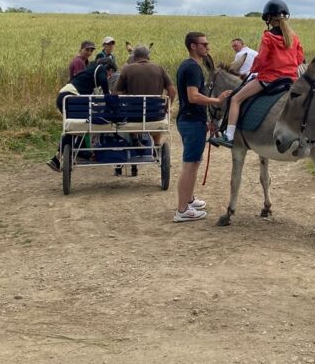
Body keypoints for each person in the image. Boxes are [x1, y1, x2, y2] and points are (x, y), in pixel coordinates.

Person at [209, 0, 304, 148]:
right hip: (291, 80)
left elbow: (262, 59)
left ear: (268, 19)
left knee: (235, 99)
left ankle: (229, 136)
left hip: (270, 79)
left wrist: (254, 69)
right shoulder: (294, 37)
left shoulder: (268, 36)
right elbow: (299, 59)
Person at [174, 32, 231, 222]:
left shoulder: (188, 65)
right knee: (190, 165)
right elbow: (193, 96)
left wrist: (205, 121)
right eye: (204, 44)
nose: (208, 47)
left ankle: (188, 199)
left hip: (191, 120)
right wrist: (217, 99)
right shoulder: (193, 68)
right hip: (191, 121)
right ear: (193, 46)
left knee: (194, 162)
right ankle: (182, 209)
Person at [114, 44, 177, 176]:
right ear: (148, 56)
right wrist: (167, 106)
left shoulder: (127, 69)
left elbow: (116, 94)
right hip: (155, 115)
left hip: (133, 116)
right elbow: (172, 90)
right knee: (154, 117)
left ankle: (135, 138)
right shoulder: (159, 68)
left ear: (134, 56)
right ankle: (157, 144)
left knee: (130, 112)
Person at [47, 57, 117, 172]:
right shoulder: (100, 69)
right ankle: (67, 155)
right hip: (70, 97)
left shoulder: (89, 74)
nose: (110, 76)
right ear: (107, 68)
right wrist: (108, 96)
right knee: (74, 128)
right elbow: (104, 81)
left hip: (65, 97)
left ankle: (62, 156)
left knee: (75, 127)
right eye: (111, 73)